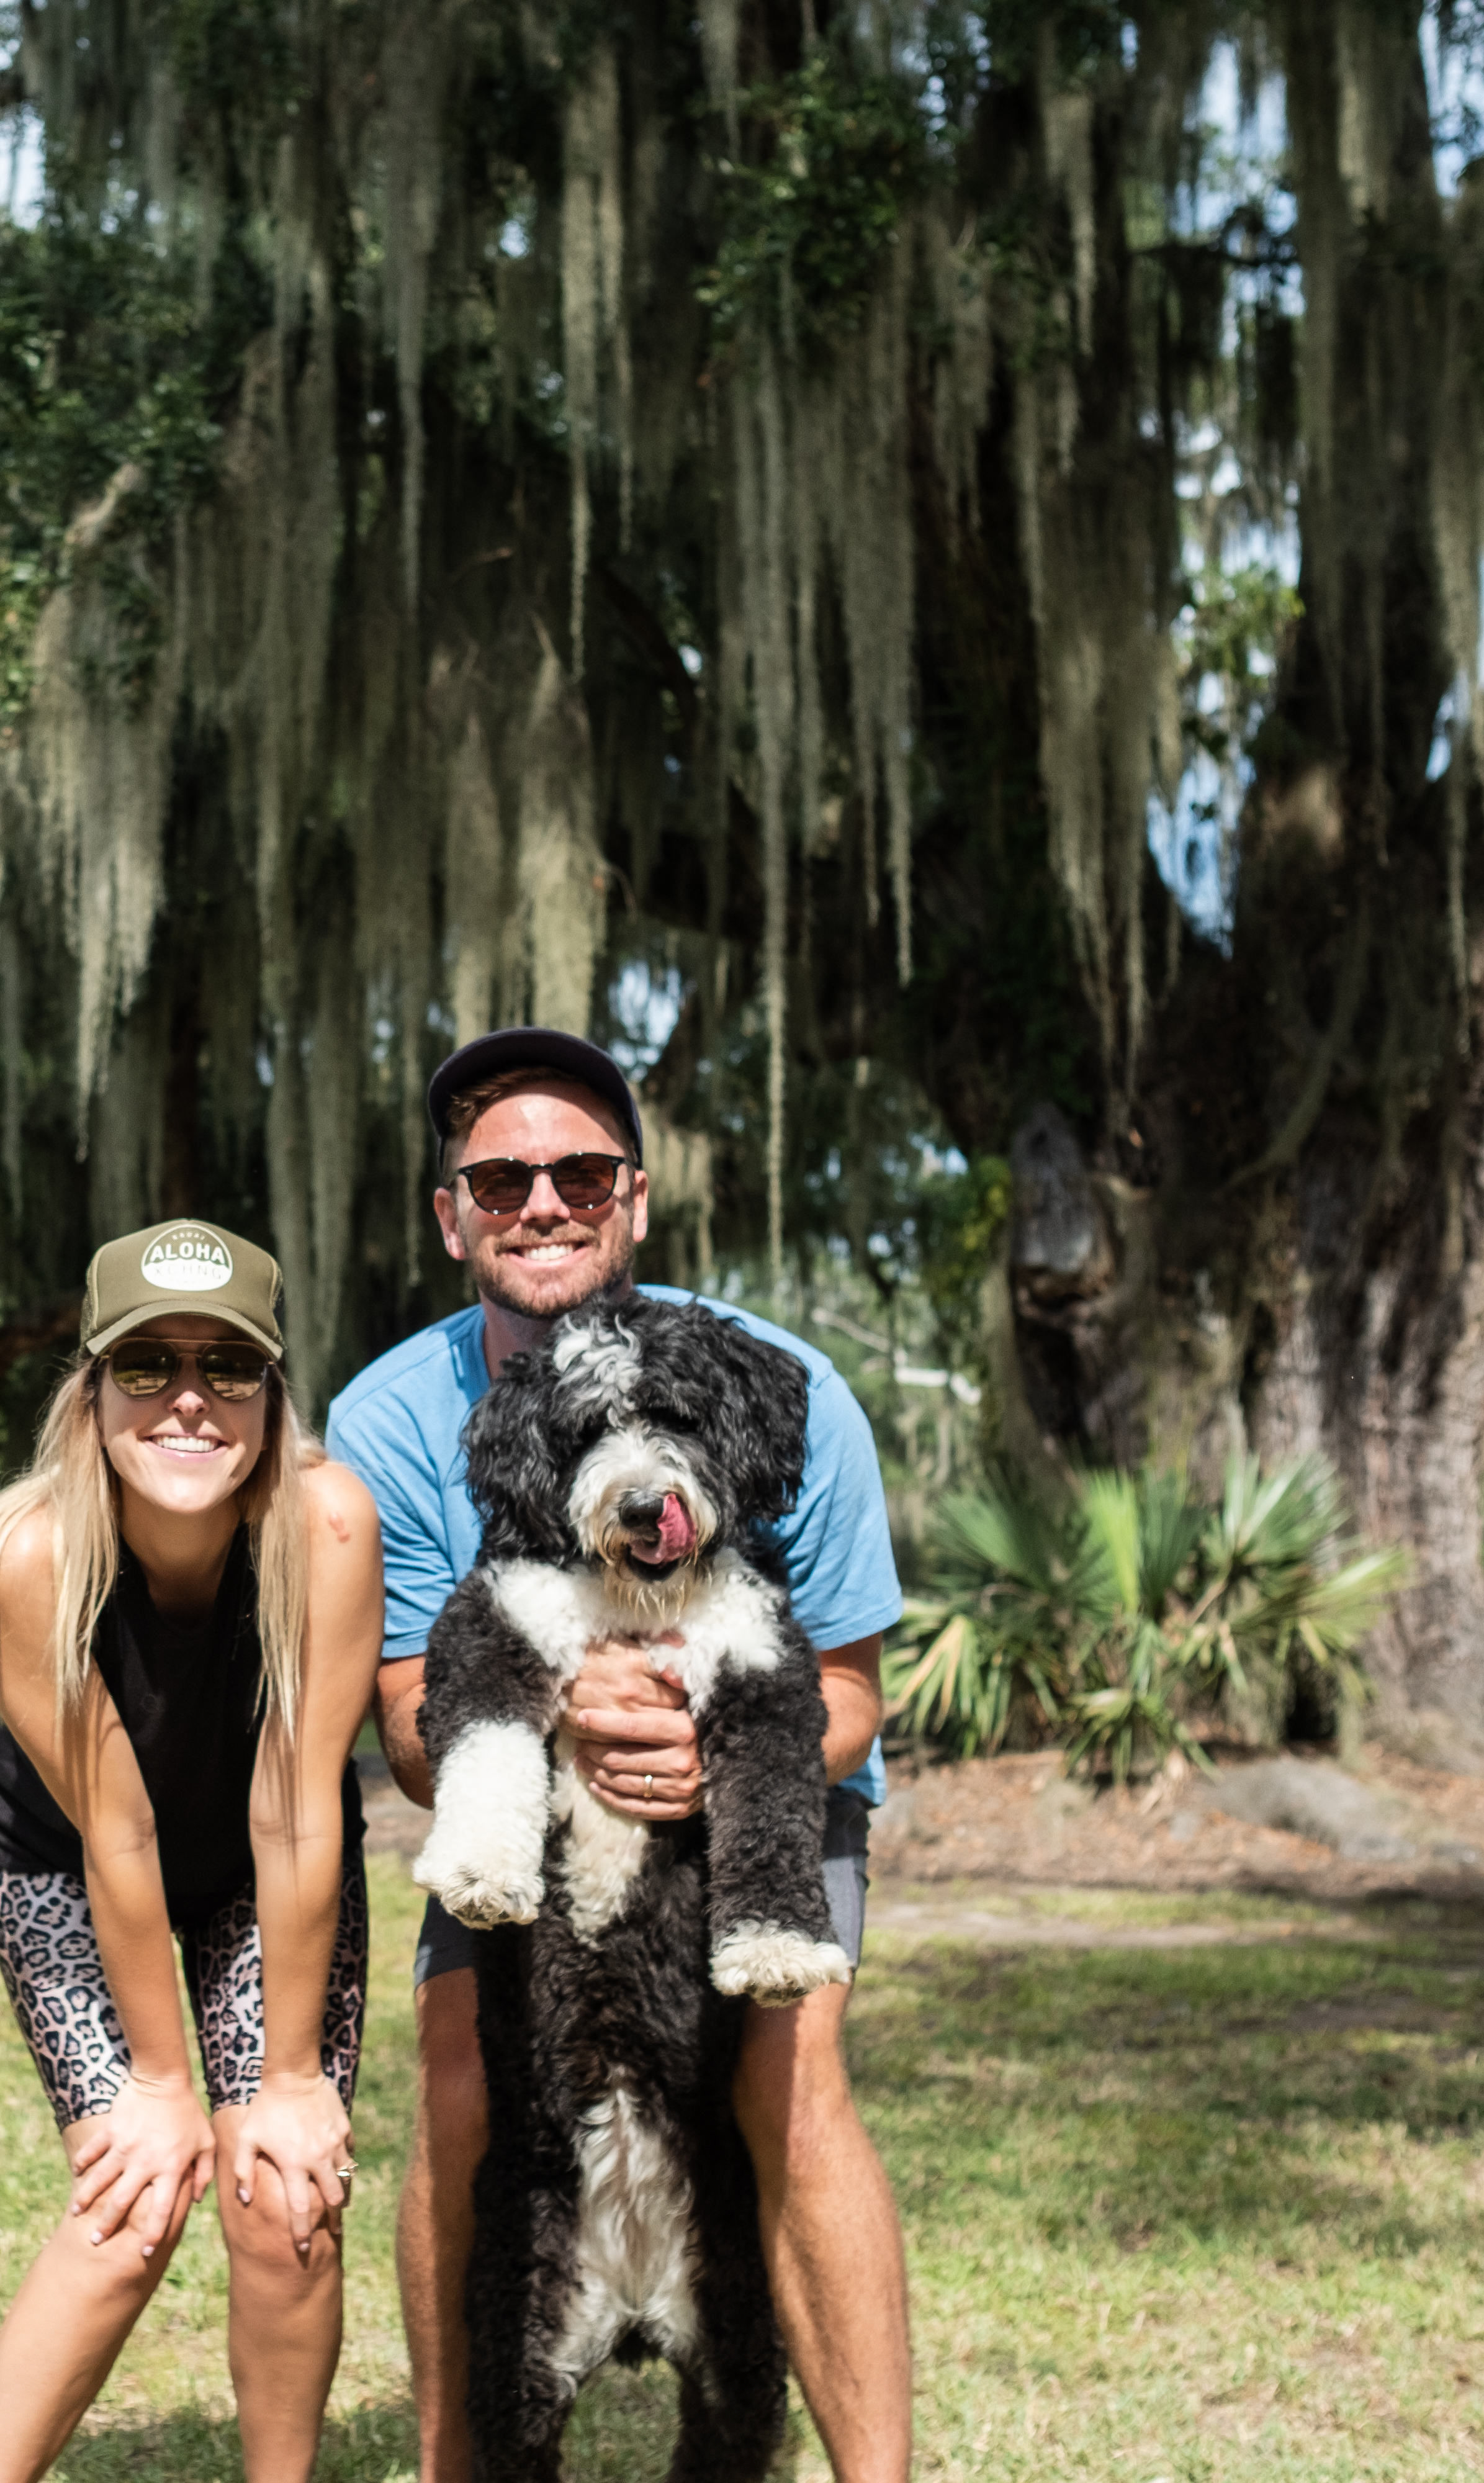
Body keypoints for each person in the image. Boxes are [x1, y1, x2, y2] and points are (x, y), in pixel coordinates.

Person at [323, 1028, 915, 2483]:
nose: (543, 1200)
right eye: (501, 1176)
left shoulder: (783, 1387)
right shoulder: (388, 1415)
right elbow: (409, 1718)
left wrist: (711, 1765)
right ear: (451, 1210)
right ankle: (468, 2461)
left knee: (789, 2067)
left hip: (760, 1806)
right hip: (524, 1807)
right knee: (458, 2071)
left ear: (634, 1197)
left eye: (579, 1170)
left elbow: (848, 1690)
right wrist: (556, 1722)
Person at [0, 1217, 387, 2483]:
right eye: (146, 1366)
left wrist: (293, 2077)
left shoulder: (324, 1525)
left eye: (229, 1365)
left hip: (276, 1871)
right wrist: (159, 2084)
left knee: (285, 2197)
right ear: (89, 1392)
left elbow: (300, 1807)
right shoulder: (29, 1554)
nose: (189, 1400)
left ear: (273, 1389)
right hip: (69, 1870)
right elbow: (120, 1827)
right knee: (131, 2202)